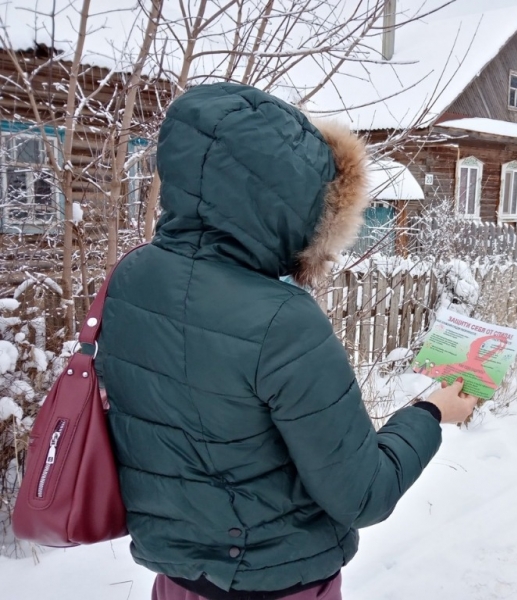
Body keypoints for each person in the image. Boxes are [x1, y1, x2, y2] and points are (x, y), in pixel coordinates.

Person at [97, 83, 477, 600]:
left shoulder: (131, 278)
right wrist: (431, 413)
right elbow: (363, 494)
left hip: (178, 581)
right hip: (279, 583)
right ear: (295, 204)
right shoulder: (282, 321)